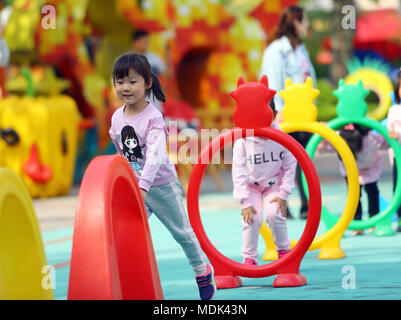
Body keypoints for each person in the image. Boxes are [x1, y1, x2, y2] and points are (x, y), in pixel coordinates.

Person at [108, 53, 216, 300]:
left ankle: (202, 270)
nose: (126, 87)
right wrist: (124, 182)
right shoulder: (116, 117)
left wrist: (144, 185)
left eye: (132, 81)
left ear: (147, 84)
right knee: (124, 233)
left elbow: (156, 155)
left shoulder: (153, 117)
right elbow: (120, 152)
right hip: (135, 187)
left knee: (182, 233)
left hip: (160, 185)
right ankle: (129, 280)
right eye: (120, 81)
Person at [259, 5, 316, 219]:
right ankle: (280, 206)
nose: (308, 25)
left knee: (304, 159)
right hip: (285, 115)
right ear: (295, 22)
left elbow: (310, 80)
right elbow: (272, 80)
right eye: (305, 21)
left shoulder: (301, 50)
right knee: (280, 162)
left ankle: (306, 204)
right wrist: (278, 111)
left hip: (304, 115)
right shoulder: (276, 50)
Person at [232, 99, 297, 265]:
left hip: (273, 184)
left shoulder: (282, 138)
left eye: (264, 120)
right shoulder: (243, 141)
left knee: (274, 214)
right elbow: (238, 172)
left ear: (274, 116)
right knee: (251, 217)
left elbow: (290, 166)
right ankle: (249, 258)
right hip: (250, 186)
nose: (259, 127)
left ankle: (284, 253)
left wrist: (283, 193)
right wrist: (244, 201)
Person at [319, 124, 388, 236]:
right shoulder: (338, 137)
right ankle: (357, 222)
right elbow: (324, 148)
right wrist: (322, 136)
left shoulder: (370, 137)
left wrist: (389, 135)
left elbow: (384, 142)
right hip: (350, 170)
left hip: (370, 169)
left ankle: (374, 221)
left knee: (372, 193)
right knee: (354, 196)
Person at [387, 68, 401, 232]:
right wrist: (392, 133)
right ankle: (400, 217)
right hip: (399, 155)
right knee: (398, 187)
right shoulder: (394, 110)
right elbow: (389, 131)